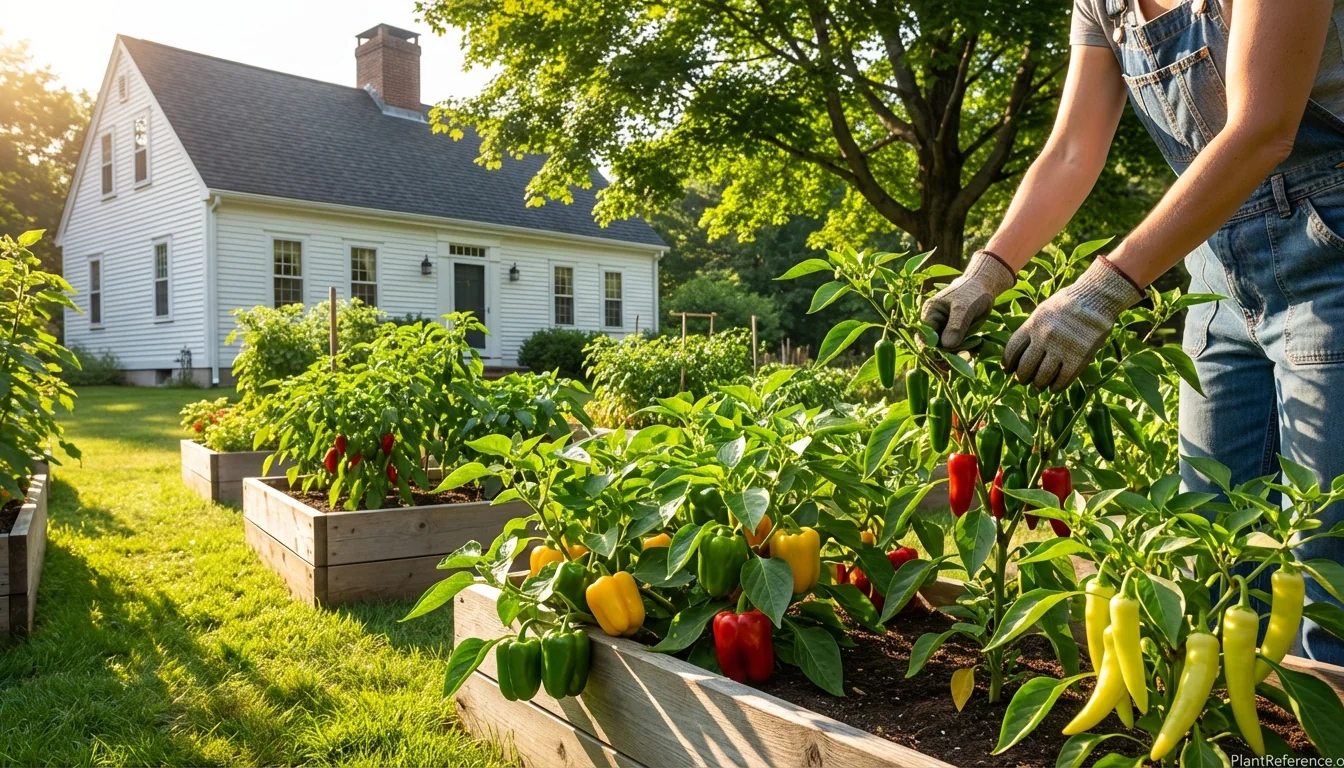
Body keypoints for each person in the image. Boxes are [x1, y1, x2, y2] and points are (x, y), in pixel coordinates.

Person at [921, 0, 1344, 664]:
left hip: (1329, 256)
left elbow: (1264, 128)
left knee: (1329, 563)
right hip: (1216, 274)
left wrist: (1104, 289)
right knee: (1214, 551)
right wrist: (988, 270)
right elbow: (1070, 150)